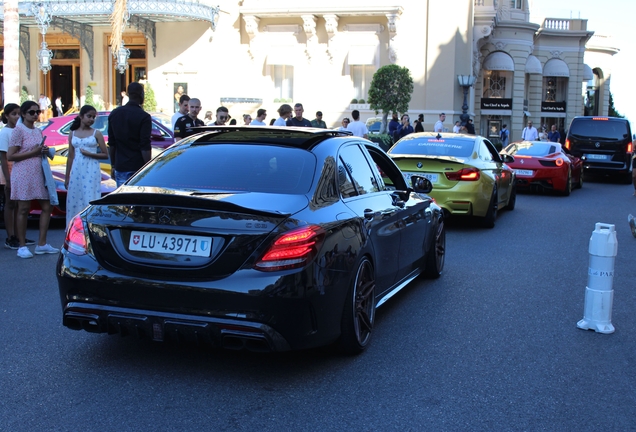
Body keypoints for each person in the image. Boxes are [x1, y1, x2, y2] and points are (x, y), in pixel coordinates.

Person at [7, 101, 58, 258]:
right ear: (23, 114)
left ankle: (41, 244)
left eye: (38, 111)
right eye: (31, 112)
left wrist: (42, 150)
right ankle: (22, 246)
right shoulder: (18, 130)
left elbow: (35, 150)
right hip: (22, 173)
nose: (35, 115)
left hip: (38, 172)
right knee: (23, 208)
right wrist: (34, 151)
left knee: (47, 206)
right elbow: (10, 155)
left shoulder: (37, 131)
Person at [64, 105, 108, 228]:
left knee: (89, 197)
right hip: (77, 170)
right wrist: (67, 177)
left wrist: (90, 154)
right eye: (89, 116)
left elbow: (105, 154)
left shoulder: (96, 133)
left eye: (93, 117)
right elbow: (70, 156)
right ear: (81, 116)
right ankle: (74, 229)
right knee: (75, 198)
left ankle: (90, 228)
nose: (91, 119)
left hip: (91, 169)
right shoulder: (72, 133)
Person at [0, 103, 32, 250]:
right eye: (13, 114)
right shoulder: (4, 133)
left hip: (20, 170)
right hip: (8, 171)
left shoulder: (19, 130)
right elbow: (3, 157)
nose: (17, 117)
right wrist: (7, 179)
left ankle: (20, 235)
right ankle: (10, 236)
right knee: (10, 204)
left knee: (20, 204)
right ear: (6, 116)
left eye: (19, 114)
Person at [108, 82, 152, 187]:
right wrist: (149, 167)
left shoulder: (114, 114)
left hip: (121, 165)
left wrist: (113, 165)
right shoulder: (144, 117)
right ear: (141, 95)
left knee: (123, 200)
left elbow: (112, 143)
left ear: (128, 94)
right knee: (138, 200)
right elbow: (144, 145)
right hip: (138, 166)